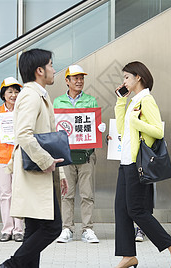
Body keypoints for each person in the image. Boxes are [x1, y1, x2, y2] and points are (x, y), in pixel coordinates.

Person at [0, 49, 68, 268]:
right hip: (35, 172)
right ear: (39, 70)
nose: (54, 69)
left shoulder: (39, 95)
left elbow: (50, 139)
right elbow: (24, 134)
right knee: (52, 228)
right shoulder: (30, 95)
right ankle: (9, 266)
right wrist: (47, 162)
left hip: (39, 171)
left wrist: (60, 172)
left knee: (34, 230)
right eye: (51, 65)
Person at [113, 61, 171, 268]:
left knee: (136, 210)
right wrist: (121, 103)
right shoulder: (133, 101)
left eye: (127, 77)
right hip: (126, 161)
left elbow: (158, 131)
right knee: (121, 208)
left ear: (138, 77)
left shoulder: (146, 100)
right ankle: (128, 255)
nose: (124, 81)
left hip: (138, 164)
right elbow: (121, 130)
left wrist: (136, 122)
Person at [53, 64, 105, 244]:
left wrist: (99, 128)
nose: (79, 81)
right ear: (67, 81)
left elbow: (94, 127)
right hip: (65, 156)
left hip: (86, 155)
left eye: (81, 78)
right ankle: (67, 228)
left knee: (87, 194)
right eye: (75, 78)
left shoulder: (91, 101)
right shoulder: (58, 102)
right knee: (66, 194)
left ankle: (87, 229)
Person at [0, 77, 24, 242]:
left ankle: (19, 229)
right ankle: (7, 229)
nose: (14, 95)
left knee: (19, 193)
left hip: (20, 156)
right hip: (2, 157)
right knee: (5, 194)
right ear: (3, 94)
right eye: (10, 91)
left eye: (16, 91)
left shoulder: (23, 110)